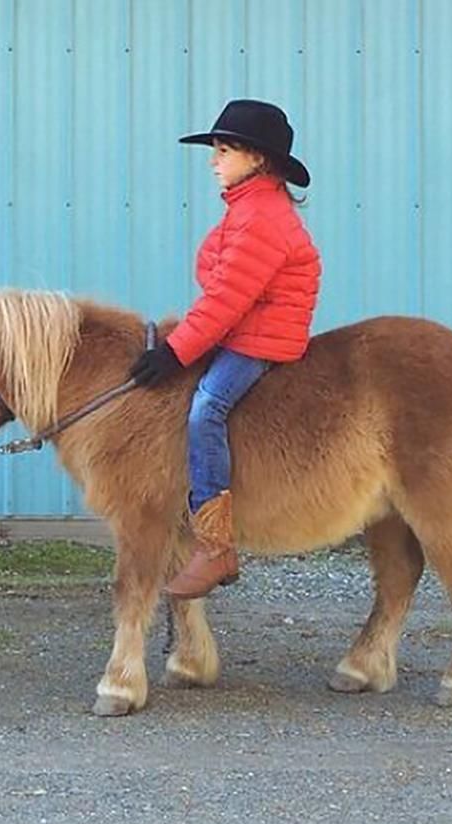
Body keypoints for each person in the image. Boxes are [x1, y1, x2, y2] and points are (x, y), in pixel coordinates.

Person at [129, 99, 322, 599]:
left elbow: (226, 298)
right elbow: (222, 287)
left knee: (206, 409)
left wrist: (174, 352)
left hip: (258, 340)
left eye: (223, 150)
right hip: (243, 330)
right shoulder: (248, 208)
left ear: (256, 158)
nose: (214, 160)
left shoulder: (261, 217)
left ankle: (215, 547)